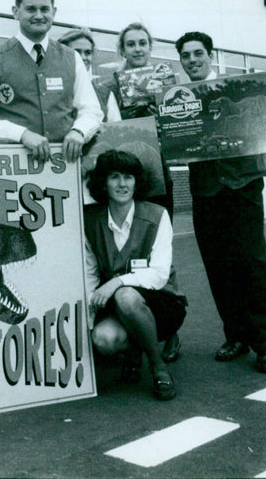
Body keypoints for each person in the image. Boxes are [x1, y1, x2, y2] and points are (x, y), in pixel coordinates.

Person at [175, 31, 266, 373]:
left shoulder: (236, 87)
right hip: (206, 191)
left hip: (242, 186)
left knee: (252, 263)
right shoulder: (179, 100)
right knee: (218, 266)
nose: (193, 59)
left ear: (210, 56)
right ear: (181, 61)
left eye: (198, 53)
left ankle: (265, 344)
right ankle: (236, 335)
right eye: (186, 55)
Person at [92, 21, 181, 360]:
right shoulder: (112, 84)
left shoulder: (165, 82)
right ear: (122, 50)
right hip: (124, 177)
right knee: (124, 250)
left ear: (150, 46)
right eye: (131, 44)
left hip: (156, 175)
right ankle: (128, 322)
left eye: (143, 43)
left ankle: (169, 330)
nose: (138, 48)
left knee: (162, 255)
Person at [83, 150, 187, 401]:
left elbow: (160, 275)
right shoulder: (90, 220)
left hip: (161, 304)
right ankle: (132, 352)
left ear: (137, 182)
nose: (122, 184)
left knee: (126, 296)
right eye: (114, 177)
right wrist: (87, 323)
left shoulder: (156, 214)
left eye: (128, 177)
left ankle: (157, 366)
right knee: (104, 339)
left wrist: (118, 282)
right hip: (117, 306)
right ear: (103, 183)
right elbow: (90, 274)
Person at [0, 0, 102, 162]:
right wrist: (22, 134)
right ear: (16, 12)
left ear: (53, 12)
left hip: (66, 165)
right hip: (15, 167)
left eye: (44, 9)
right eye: (31, 9)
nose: (39, 15)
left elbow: (91, 110)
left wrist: (79, 131)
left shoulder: (72, 58)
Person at [58, 26, 121, 121]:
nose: (83, 57)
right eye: (76, 52)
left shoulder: (105, 94)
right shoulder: (51, 89)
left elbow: (116, 127)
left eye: (88, 53)